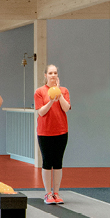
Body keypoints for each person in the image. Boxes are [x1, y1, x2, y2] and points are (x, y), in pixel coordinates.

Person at [33, 65, 72, 205]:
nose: (53, 75)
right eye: (50, 73)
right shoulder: (40, 92)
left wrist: (59, 94)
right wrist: (51, 100)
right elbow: (41, 112)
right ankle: (48, 193)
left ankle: (56, 192)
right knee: (47, 162)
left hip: (61, 131)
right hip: (45, 132)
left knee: (58, 162)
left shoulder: (64, 91)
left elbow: (66, 108)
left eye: (55, 72)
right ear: (45, 75)